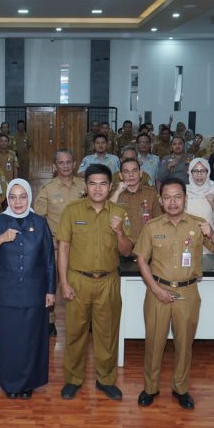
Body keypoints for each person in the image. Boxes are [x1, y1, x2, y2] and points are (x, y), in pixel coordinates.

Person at [133, 177, 214, 410]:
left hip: (187, 292)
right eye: (167, 197)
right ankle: (150, 387)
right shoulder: (152, 226)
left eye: (177, 197)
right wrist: (155, 290)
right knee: (154, 343)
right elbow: (141, 260)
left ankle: (181, 388)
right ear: (161, 200)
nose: (173, 202)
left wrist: (213, 234)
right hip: (157, 292)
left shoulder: (198, 224)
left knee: (184, 344)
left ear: (185, 199)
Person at [58, 164, 134, 401]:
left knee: (107, 334)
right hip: (78, 280)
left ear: (110, 186)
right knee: (74, 333)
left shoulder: (119, 213)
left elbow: (127, 250)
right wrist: (63, 282)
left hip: (108, 282)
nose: (98, 188)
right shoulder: (72, 211)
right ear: (86, 186)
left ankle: (106, 380)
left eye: (103, 184)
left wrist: (120, 231)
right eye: (93, 183)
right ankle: (73, 379)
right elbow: (63, 248)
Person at [0, 179, 56, 399]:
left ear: (29, 197)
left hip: (35, 291)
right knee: (8, 340)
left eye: (23, 196)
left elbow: (49, 259)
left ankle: (29, 383)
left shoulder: (40, 222)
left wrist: (51, 290)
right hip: (6, 293)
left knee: (32, 339)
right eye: (13, 197)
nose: (18, 201)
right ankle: (10, 384)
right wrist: (1, 239)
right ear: (7, 199)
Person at [34, 149, 87, 336]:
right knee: (52, 284)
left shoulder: (84, 187)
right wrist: (49, 244)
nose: (65, 166)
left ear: (74, 164)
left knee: (81, 284)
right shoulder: (47, 189)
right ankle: (49, 321)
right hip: (56, 246)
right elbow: (39, 221)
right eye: (61, 163)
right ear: (54, 166)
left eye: (68, 162)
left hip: (82, 246)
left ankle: (83, 321)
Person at [109, 158, 162, 241]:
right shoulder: (113, 193)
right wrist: (117, 192)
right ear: (120, 175)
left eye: (134, 171)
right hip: (120, 245)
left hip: (146, 245)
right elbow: (106, 215)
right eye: (126, 172)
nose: (131, 175)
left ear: (140, 173)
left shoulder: (151, 194)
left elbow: (159, 221)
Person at [186, 158, 214, 232]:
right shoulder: (184, 191)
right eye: (195, 171)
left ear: (208, 172)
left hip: (209, 238)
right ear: (190, 173)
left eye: (203, 171)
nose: (199, 174)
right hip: (188, 238)